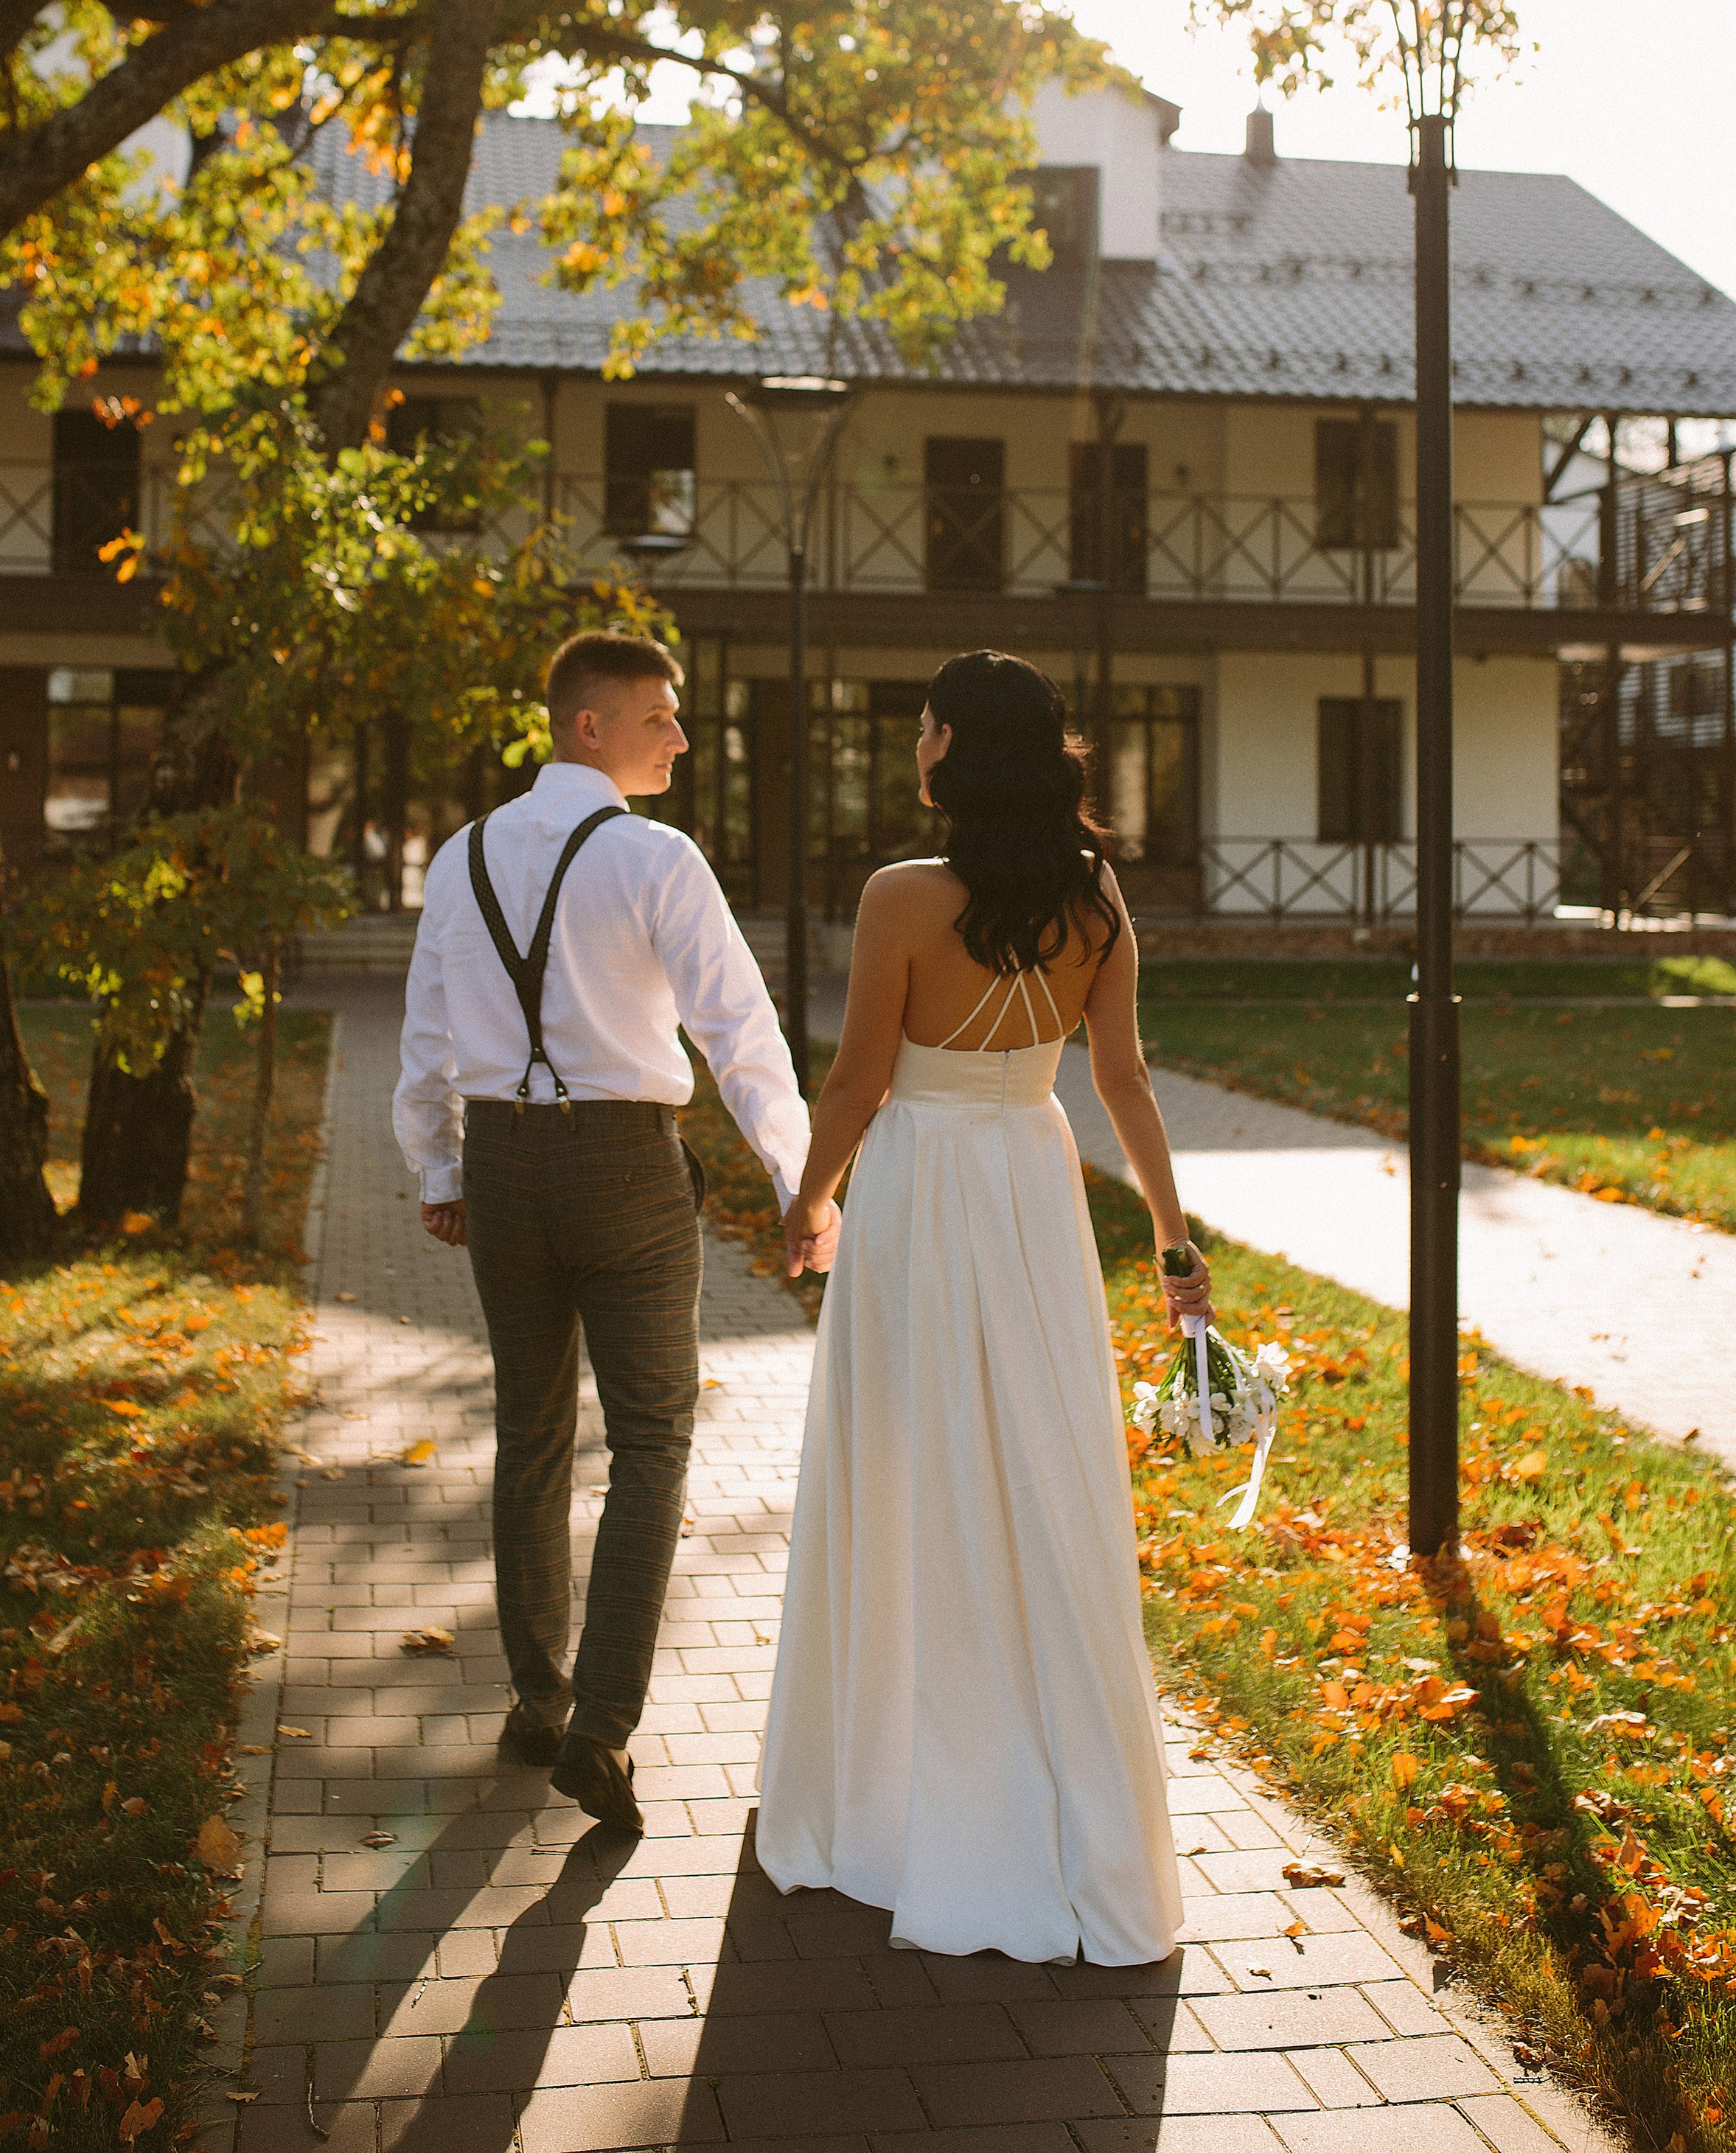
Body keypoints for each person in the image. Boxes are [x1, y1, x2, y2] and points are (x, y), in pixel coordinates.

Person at [756, 648, 1213, 1964]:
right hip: (1032, 1183)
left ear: (957, 746)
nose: (915, 743)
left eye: (923, 726)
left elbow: (853, 1085)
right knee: (1040, 1479)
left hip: (913, 1199)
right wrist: (1174, 1242)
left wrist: (806, 1200)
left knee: (901, 1471)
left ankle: (892, 1795)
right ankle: (1060, 1805)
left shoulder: (900, 897)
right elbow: (1123, 1082)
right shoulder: (1101, 903)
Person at [394, 630, 808, 1835]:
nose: (680, 737)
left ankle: (538, 1700)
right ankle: (601, 1731)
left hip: (504, 1164)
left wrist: (435, 1163)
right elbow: (740, 1030)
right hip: (626, 1165)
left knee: (528, 1431)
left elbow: (427, 1030)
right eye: (660, 718)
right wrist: (799, 1180)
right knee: (651, 1442)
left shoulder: (461, 856)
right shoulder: (656, 859)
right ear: (589, 725)